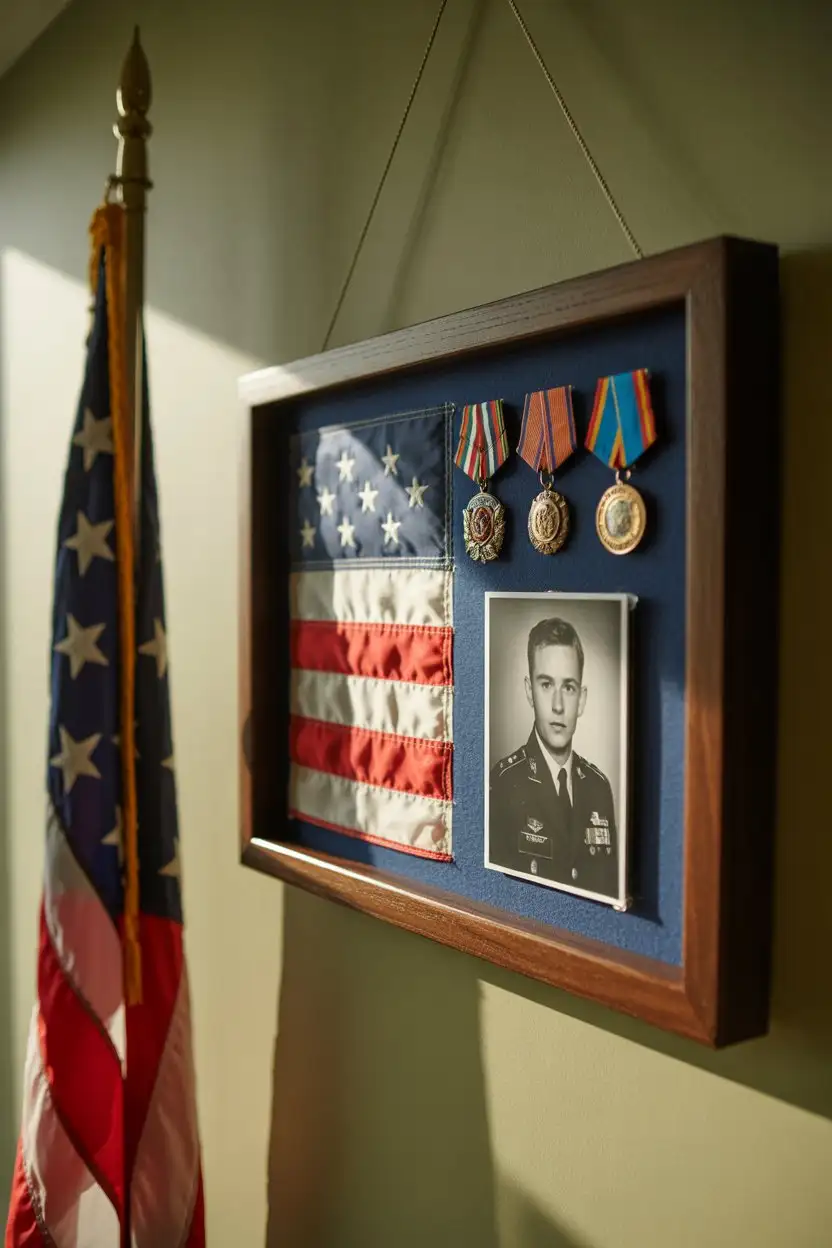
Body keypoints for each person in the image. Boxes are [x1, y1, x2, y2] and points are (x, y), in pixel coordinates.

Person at [488, 617, 619, 899]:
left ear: (581, 699)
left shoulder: (598, 788)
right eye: (546, 684)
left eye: (568, 687)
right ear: (529, 691)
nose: (558, 706)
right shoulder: (505, 782)